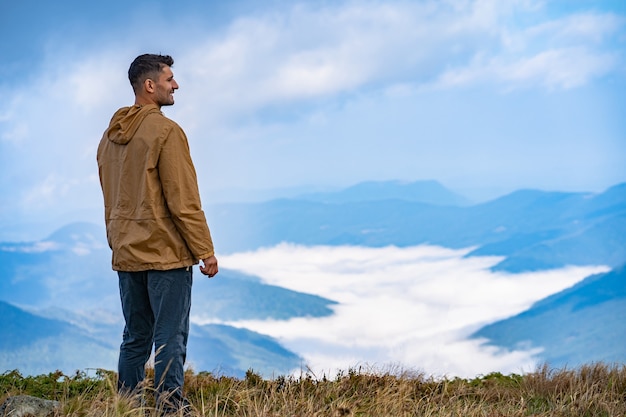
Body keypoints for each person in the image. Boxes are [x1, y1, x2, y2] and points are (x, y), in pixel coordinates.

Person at [97, 53, 218, 413]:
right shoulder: (167, 133)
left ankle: (127, 408)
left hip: (126, 252)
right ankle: (170, 408)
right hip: (165, 253)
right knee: (170, 336)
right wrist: (205, 250)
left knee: (135, 336)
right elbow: (183, 202)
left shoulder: (110, 137)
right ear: (150, 86)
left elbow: (111, 195)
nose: (176, 84)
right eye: (169, 79)